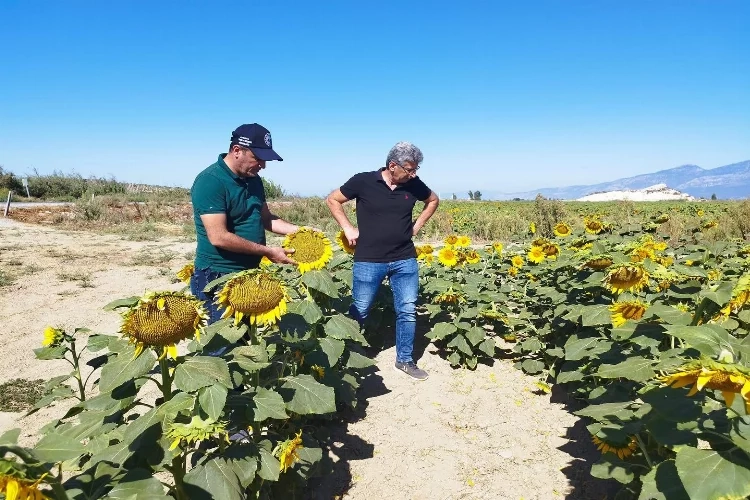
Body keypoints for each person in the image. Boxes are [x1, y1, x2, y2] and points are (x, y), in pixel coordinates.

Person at [326, 142, 439, 380]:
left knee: (407, 310)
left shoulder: (413, 184)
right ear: (392, 165)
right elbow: (333, 200)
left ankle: (405, 360)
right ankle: (347, 357)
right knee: (360, 309)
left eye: (416, 169)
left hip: (404, 258)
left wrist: (416, 227)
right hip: (369, 259)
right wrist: (347, 228)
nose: (413, 174)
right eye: (409, 169)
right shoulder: (363, 181)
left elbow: (433, 200)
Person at [190, 123, 300, 323]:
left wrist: (299, 231)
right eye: (257, 158)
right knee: (221, 343)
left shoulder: (253, 180)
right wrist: (268, 252)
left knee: (244, 336)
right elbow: (219, 237)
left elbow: (266, 218)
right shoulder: (211, 181)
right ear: (237, 150)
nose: (263, 166)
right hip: (218, 275)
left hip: (249, 271)